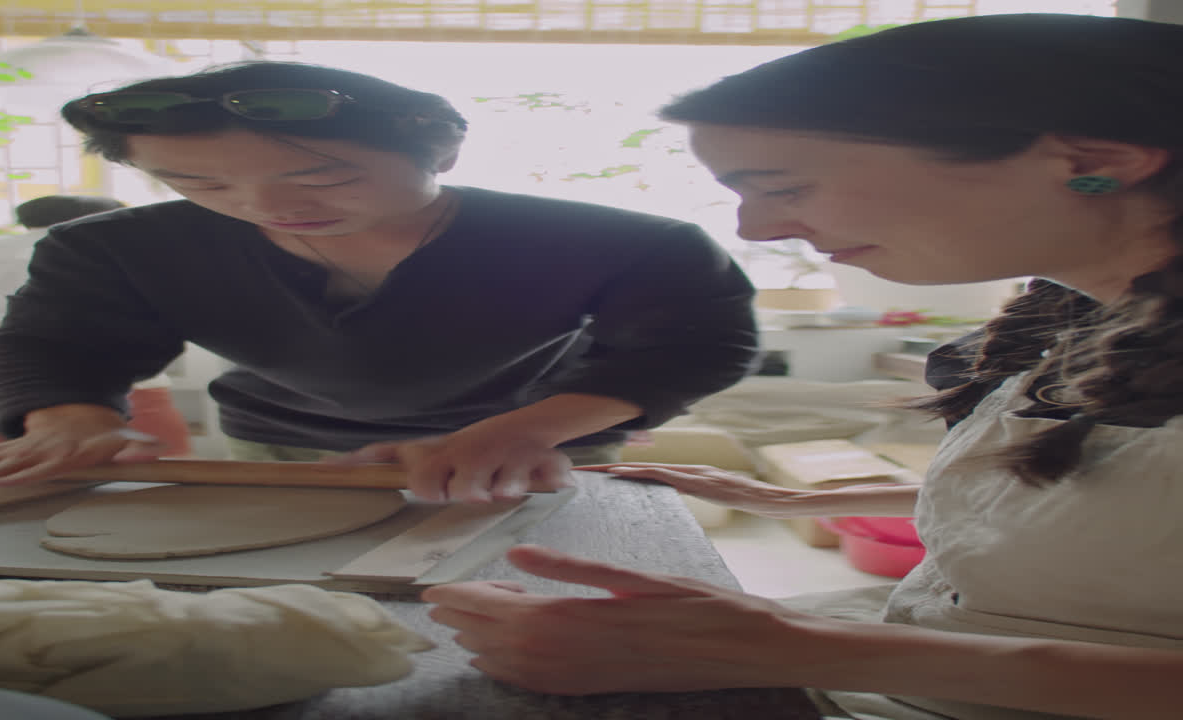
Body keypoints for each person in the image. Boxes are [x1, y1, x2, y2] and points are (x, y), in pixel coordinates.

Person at [420, 13, 1183, 719]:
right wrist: (788, 504)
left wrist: (790, 647)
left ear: (1094, 162)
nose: (759, 228)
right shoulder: (1088, 328)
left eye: (786, 187)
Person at [0, 61, 759, 500]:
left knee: (531, 590)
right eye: (200, 185)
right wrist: (70, 418)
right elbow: (62, 341)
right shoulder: (114, 249)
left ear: (441, 152)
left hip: (532, 443)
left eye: (323, 177)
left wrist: (529, 430)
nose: (267, 207)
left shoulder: (619, 241)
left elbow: (696, 341)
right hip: (282, 445)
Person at [0, 195, 194, 457]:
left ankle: (8, 473)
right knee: (134, 397)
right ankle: (166, 465)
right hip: (62, 327)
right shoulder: (101, 244)